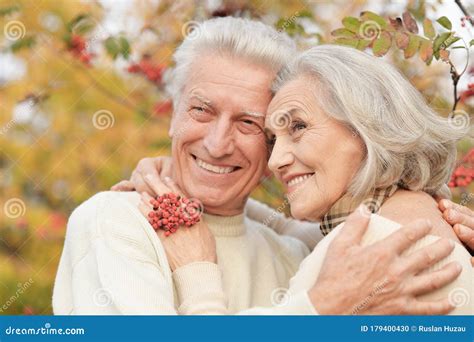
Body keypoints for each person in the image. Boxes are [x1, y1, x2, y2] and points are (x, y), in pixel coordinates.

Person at [53, 17, 472, 315]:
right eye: (201, 110)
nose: (217, 144)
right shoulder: (115, 220)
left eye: (250, 124)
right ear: (172, 115)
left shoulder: (322, 252)